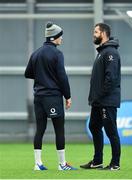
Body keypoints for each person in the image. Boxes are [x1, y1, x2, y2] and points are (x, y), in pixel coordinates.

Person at [24, 21, 77, 171]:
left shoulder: (36, 53)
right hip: (53, 97)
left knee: (39, 129)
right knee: (59, 129)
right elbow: (62, 77)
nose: (62, 39)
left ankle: (38, 163)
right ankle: (62, 164)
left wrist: (41, 75)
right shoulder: (57, 54)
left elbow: (27, 73)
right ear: (54, 37)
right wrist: (68, 96)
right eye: (60, 36)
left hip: (38, 97)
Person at [80, 23, 121, 170]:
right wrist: (95, 97)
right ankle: (97, 161)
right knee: (94, 126)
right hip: (98, 101)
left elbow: (111, 78)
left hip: (106, 100)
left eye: (96, 32)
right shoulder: (102, 52)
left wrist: (100, 95)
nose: (94, 34)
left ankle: (115, 164)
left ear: (103, 33)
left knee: (111, 130)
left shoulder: (111, 53)